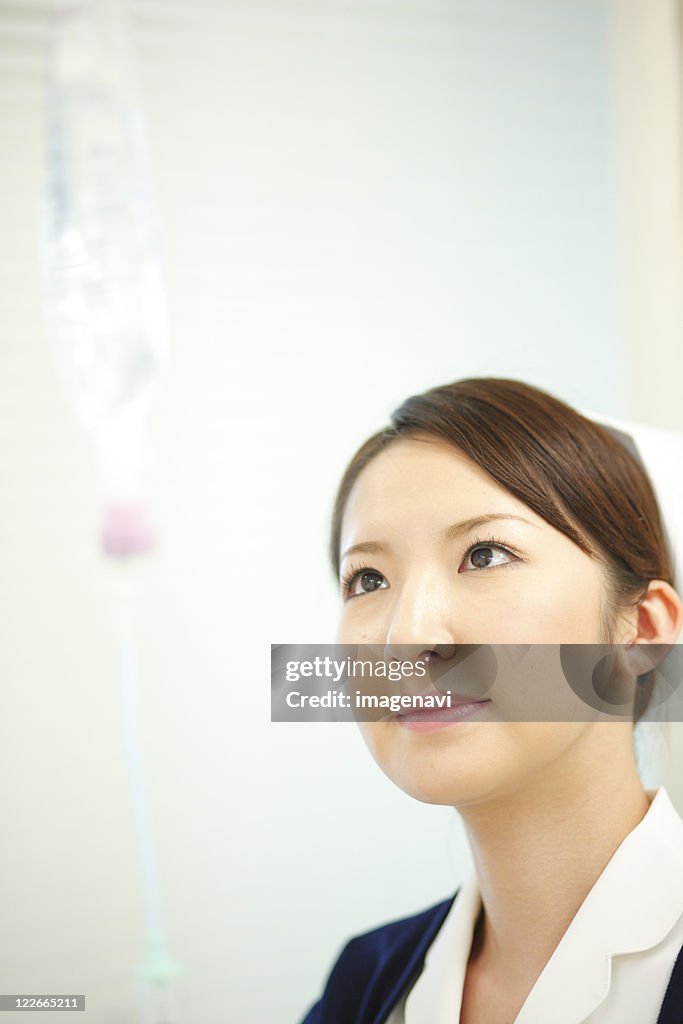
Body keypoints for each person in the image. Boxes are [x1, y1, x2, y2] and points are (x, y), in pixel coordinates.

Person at [300, 378, 683, 1024]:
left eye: (484, 554)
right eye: (368, 578)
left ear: (642, 632)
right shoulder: (361, 985)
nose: (406, 637)